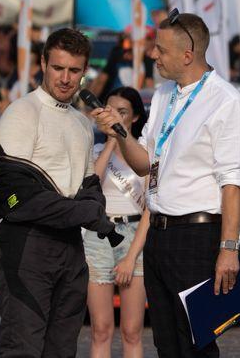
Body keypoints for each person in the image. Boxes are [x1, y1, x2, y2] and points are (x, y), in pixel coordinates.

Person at [92, 9, 240, 357]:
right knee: (166, 343)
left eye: (161, 50)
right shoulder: (164, 94)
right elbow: (143, 163)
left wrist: (228, 249)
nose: (153, 55)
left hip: (197, 235)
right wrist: (119, 132)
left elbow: (233, 182)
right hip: (159, 233)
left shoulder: (226, 102)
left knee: (196, 343)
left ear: (187, 55)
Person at [0, 28, 109, 358]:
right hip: (27, 243)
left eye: (74, 70)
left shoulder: (82, 123)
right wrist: (87, 212)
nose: (66, 79)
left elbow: (91, 188)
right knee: (22, 349)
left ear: (85, 71)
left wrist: (89, 209)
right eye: (58, 68)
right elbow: (18, 196)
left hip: (70, 247)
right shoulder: (22, 112)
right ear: (42, 64)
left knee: (62, 350)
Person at [86, 86, 149, 358]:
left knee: (132, 331)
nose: (115, 117)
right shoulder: (96, 150)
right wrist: (112, 140)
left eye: (122, 112)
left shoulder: (145, 153)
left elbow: (151, 209)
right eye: (110, 111)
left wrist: (131, 257)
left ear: (134, 117)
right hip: (98, 235)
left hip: (135, 237)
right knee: (100, 329)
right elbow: (91, 186)